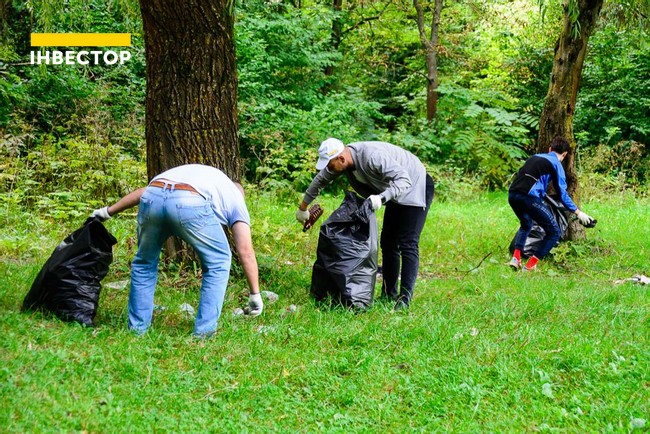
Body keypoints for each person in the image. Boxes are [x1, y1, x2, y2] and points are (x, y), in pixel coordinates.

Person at [92, 164, 263, 337]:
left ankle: (137, 330)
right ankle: (203, 334)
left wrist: (107, 212)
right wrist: (255, 294)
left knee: (144, 262)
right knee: (218, 263)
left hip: (154, 194)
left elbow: (143, 192)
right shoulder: (236, 200)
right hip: (190, 201)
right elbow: (245, 252)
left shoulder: (208, 176)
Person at [296, 138, 435, 311]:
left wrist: (381, 197)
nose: (329, 169)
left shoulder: (372, 157)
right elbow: (321, 180)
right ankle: (388, 294)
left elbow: (403, 180)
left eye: (330, 165)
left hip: (416, 185)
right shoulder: (344, 162)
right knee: (388, 242)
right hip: (394, 192)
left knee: (408, 242)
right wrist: (303, 208)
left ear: (341, 159)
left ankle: (404, 299)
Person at [508, 137, 595, 271]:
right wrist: (578, 213)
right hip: (529, 198)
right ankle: (530, 266)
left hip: (512, 195)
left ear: (550, 149)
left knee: (526, 224)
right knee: (554, 232)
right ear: (564, 154)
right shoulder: (556, 164)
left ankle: (516, 258)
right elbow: (562, 194)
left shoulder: (534, 157)